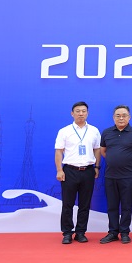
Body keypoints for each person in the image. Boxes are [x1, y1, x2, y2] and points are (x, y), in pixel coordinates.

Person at [54, 101, 101, 244]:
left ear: (87, 113)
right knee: (67, 204)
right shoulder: (64, 131)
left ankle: (81, 232)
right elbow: (59, 151)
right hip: (70, 171)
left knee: (84, 204)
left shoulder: (94, 130)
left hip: (88, 171)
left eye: (84, 111)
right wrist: (59, 170)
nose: (81, 114)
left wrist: (97, 167)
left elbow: (97, 150)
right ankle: (67, 233)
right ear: (72, 113)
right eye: (78, 111)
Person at [99, 105, 132, 244]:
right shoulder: (107, 132)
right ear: (113, 117)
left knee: (126, 205)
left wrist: (128, 161)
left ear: (129, 117)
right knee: (112, 206)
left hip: (128, 176)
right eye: (118, 115)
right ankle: (113, 232)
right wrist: (113, 160)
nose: (121, 118)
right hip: (110, 175)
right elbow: (103, 151)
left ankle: (125, 232)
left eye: (124, 115)